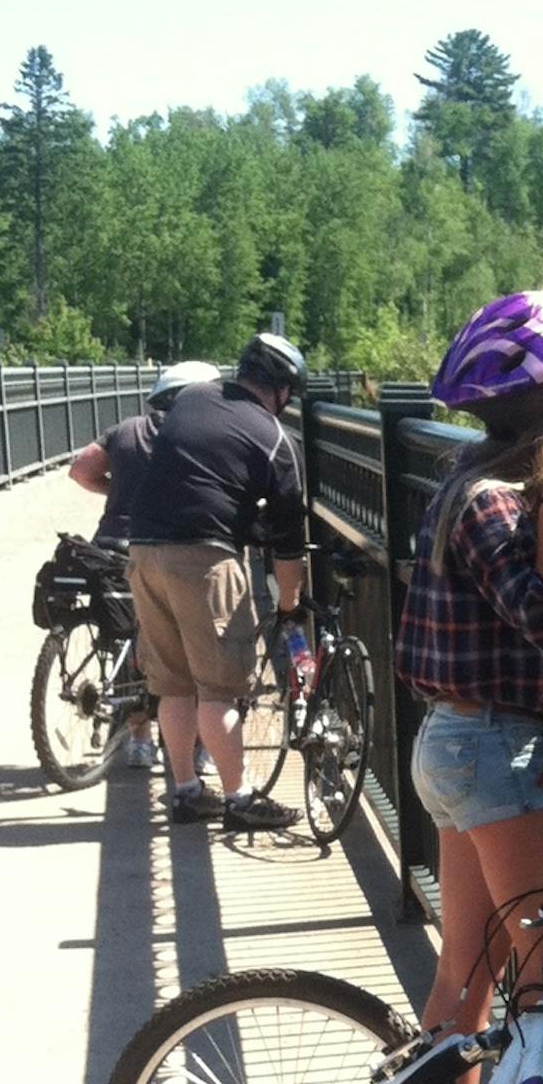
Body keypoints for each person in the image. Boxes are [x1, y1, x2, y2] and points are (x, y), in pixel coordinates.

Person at [395, 292, 543, 1084]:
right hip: (498, 754)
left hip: (452, 744)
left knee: (467, 974)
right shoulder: (497, 505)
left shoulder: (463, 482)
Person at [127, 330, 309, 833]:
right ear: (282, 390)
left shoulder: (191, 399)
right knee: (219, 689)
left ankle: (186, 792)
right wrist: (289, 603)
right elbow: (288, 541)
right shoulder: (275, 437)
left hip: (143, 549)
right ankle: (239, 799)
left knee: (173, 683)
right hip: (205, 559)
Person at [67, 360, 219, 769]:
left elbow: (80, 470)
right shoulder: (197, 436)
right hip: (165, 546)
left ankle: (139, 740)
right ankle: (199, 746)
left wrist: (115, 491)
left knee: (124, 633)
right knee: (186, 641)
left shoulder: (125, 430)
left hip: (111, 543)